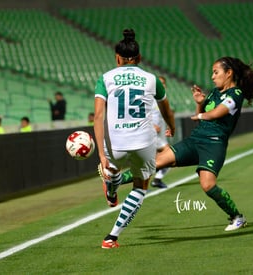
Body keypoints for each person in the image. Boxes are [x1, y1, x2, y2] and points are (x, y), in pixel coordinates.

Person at [155, 56, 253, 231]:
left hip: (214, 144)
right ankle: (114, 179)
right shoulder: (213, 92)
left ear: (229, 73)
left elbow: (218, 112)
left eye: (216, 72)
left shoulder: (236, 94)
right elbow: (202, 118)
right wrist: (199, 104)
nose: (212, 76)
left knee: (208, 185)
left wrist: (201, 114)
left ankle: (237, 217)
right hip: (196, 139)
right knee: (157, 162)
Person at [94, 29, 175, 249]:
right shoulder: (151, 79)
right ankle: (111, 237)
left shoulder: (105, 78)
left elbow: (99, 116)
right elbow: (166, 110)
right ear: (139, 58)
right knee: (140, 187)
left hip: (115, 145)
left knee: (112, 169)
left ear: (117, 58)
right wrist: (173, 127)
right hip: (143, 143)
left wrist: (101, 154)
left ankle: (112, 184)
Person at [150, 76, 172, 188]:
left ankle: (156, 179)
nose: (162, 85)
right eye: (160, 83)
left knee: (160, 159)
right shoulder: (149, 99)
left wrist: (168, 125)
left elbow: (164, 115)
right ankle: (156, 179)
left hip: (159, 135)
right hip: (150, 135)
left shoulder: (162, 100)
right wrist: (151, 125)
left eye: (163, 83)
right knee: (170, 155)